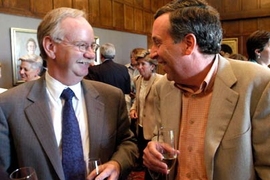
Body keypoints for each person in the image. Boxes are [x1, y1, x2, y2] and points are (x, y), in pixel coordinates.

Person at [0, 7, 138, 180]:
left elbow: (128, 143)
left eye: (92, 46)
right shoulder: (8, 105)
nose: (90, 55)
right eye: (82, 45)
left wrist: (117, 164)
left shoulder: (111, 97)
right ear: (50, 47)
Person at [143, 0, 270, 180]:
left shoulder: (259, 84)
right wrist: (154, 151)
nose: (152, 53)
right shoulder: (162, 88)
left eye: (157, 43)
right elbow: (162, 141)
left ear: (188, 44)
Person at [129, 49, 163, 174]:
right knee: (143, 153)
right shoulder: (137, 80)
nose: (139, 67)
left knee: (153, 160)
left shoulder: (161, 81)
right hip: (140, 124)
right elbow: (137, 100)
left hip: (153, 127)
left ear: (152, 66)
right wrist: (133, 109)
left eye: (143, 64)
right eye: (138, 64)